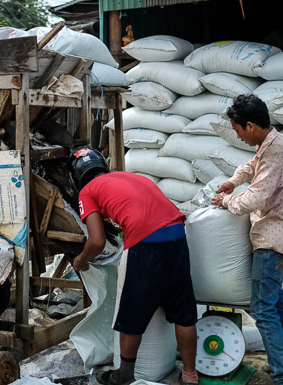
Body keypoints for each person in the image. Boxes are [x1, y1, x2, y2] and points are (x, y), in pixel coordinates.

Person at [70, 146, 199, 385]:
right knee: (184, 313)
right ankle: (190, 375)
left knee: (130, 314)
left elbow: (97, 241)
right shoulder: (131, 176)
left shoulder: (87, 192)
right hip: (177, 235)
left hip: (146, 245)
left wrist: (81, 260)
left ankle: (123, 375)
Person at [211, 94, 283, 385]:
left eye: (237, 130)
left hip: (271, 240)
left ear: (250, 125)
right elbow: (252, 166)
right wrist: (233, 181)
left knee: (263, 310)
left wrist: (225, 201)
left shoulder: (275, 151)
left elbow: (255, 198)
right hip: (281, 236)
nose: (238, 136)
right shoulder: (272, 144)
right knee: (276, 305)